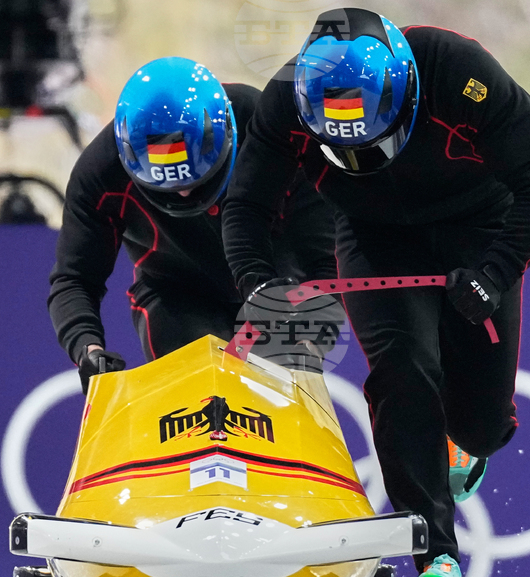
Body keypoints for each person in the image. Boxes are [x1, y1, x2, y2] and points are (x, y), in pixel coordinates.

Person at [221, 9, 530, 577]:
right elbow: (246, 205)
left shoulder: (459, 73)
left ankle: (464, 445)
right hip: (374, 236)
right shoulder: (286, 104)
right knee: (402, 369)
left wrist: (495, 273)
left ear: (402, 91)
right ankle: (437, 556)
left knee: (483, 426)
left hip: (478, 229)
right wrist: (256, 283)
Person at [48, 57, 337, 392]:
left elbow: (325, 256)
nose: (184, 192)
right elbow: (75, 277)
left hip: (274, 286)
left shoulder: (273, 132)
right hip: (176, 294)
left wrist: (312, 338)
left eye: (198, 181)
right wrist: (88, 348)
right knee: (197, 389)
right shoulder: (99, 173)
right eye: (168, 185)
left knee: (276, 394)